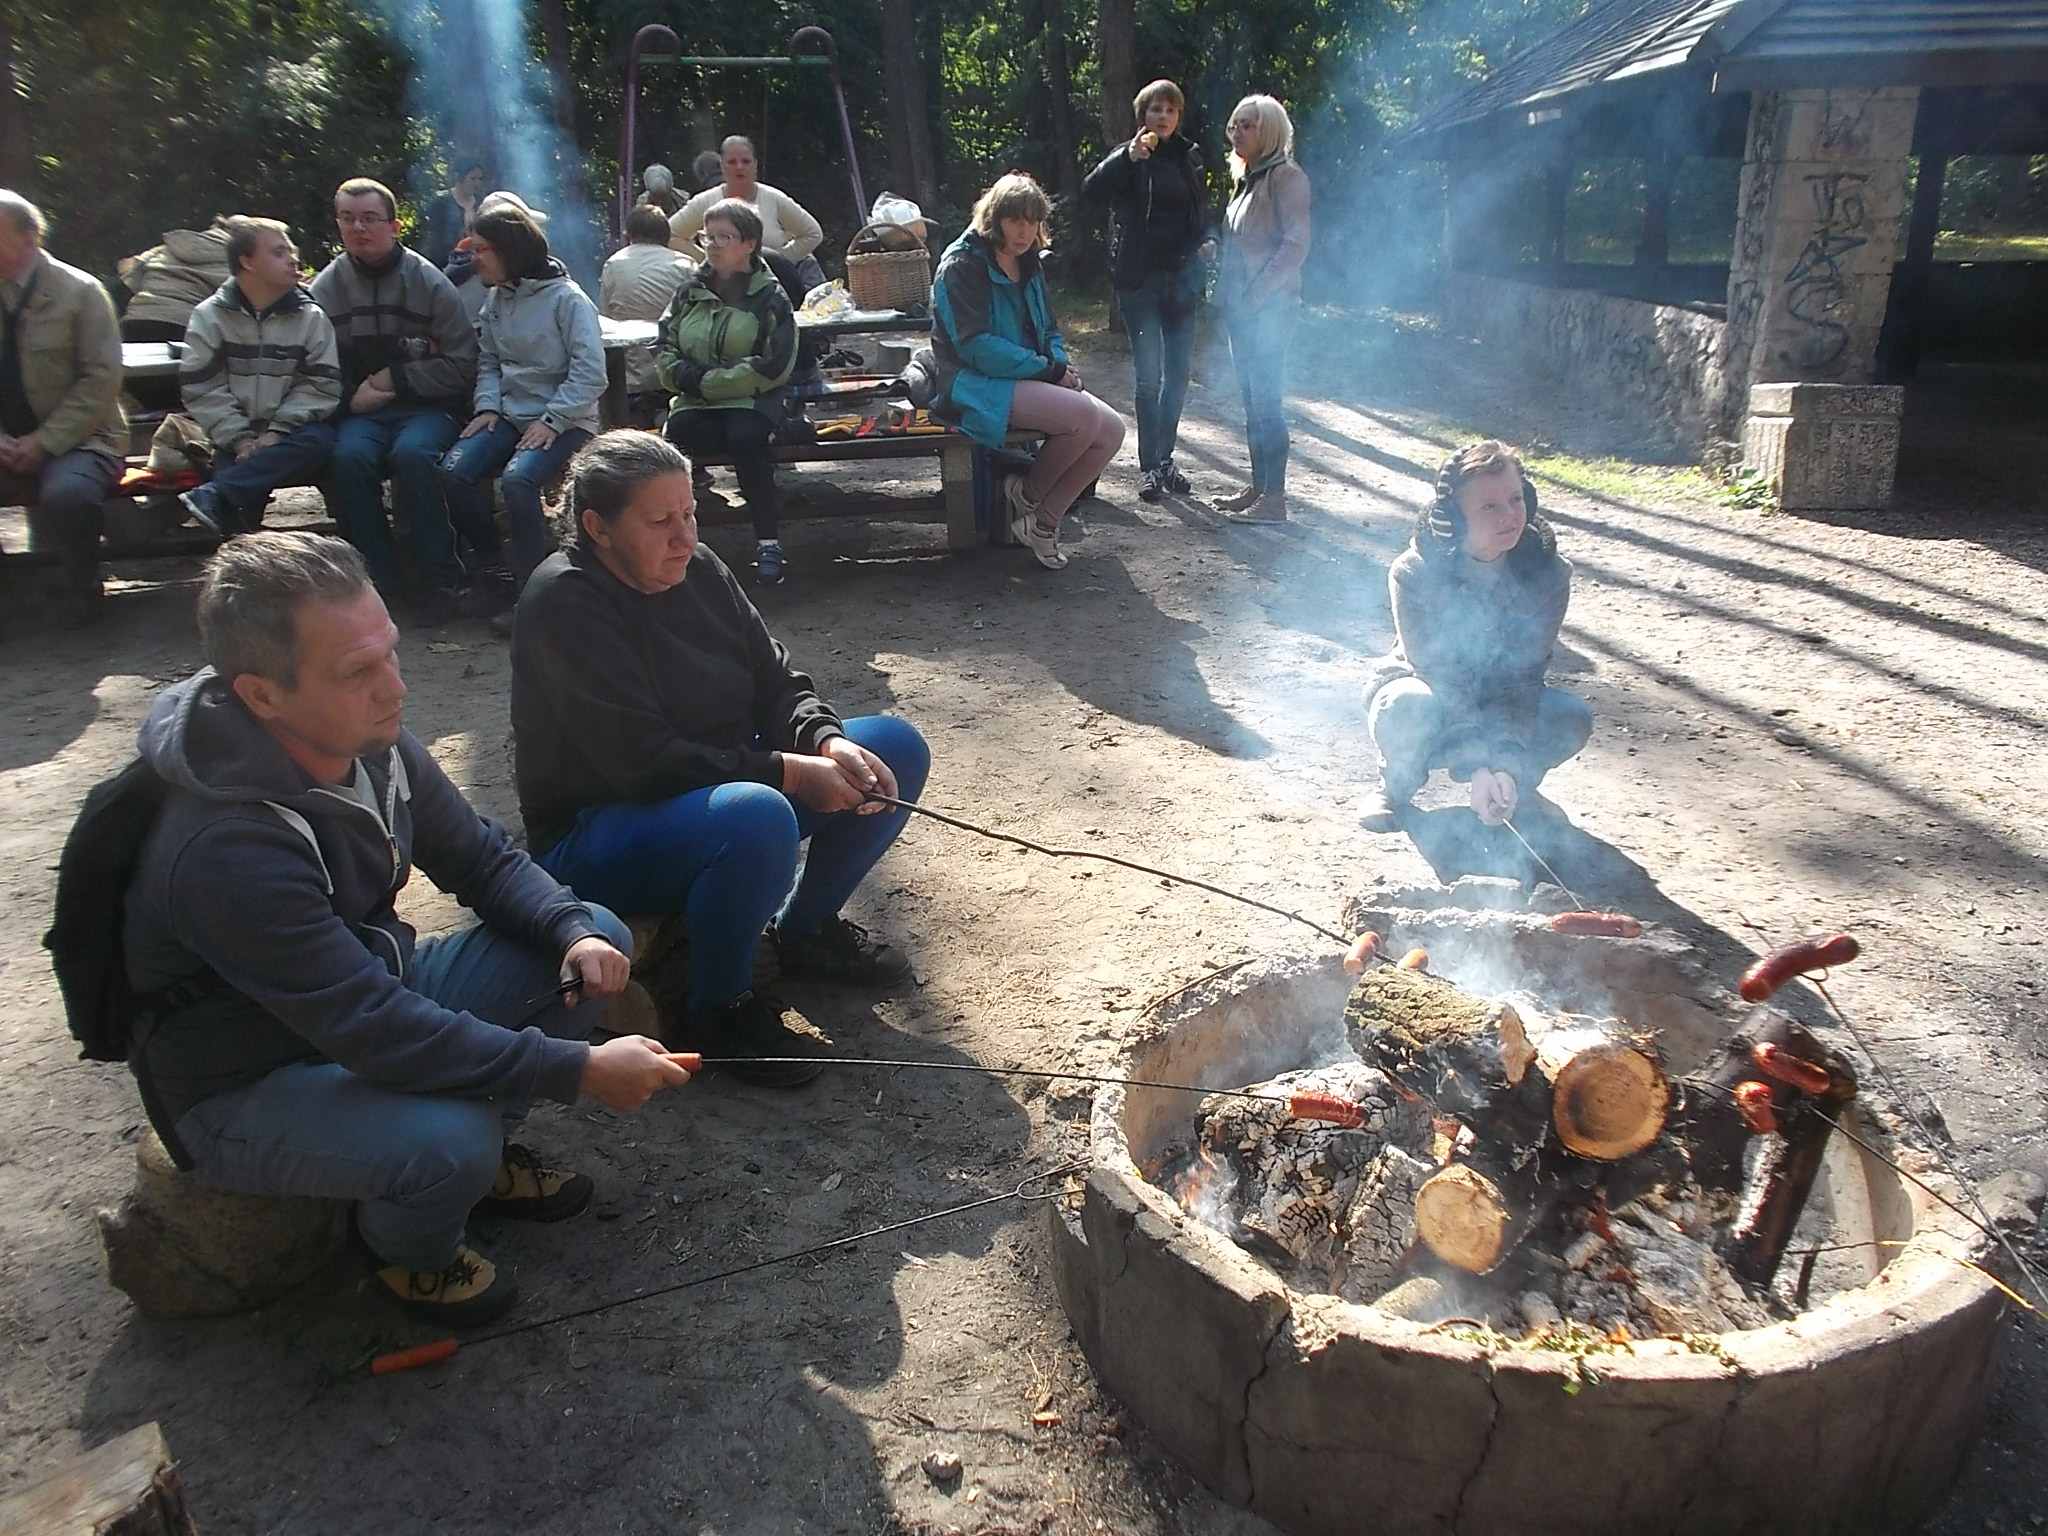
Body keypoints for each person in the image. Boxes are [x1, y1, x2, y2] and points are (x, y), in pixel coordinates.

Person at [122, 531, 689, 1323]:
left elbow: (482, 860)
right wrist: (576, 1068)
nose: (396, 686)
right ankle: (409, 1254)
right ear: (263, 696)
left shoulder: (366, 742)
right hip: (247, 1079)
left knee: (595, 940)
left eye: (390, 651)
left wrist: (571, 930)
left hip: (361, 994)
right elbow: (374, 1030)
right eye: (358, 671)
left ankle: (477, 1163)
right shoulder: (225, 849)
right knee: (452, 1138)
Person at [511, 432, 930, 1089]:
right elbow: (642, 762)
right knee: (757, 813)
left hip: (712, 793)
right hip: (600, 831)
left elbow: (775, 678)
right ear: (597, 528)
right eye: (660, 521)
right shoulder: (563, 601)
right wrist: (791, 772)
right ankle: (720, 1009)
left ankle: (805, 931)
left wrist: (826, 741)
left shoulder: (698, 568)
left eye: (690, 513)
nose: (684, 537)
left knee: (891, 747)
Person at [1359, 440, 1591, 833]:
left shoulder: (1550, 575)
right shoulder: (1414, 573)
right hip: (1432, 691)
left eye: (1516, 499)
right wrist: (1477, 764)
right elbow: (1438, 673)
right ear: (1455, 518)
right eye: (1489, 507)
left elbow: (1523, 679)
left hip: (1504, 697)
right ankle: (1395, 788)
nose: (1510, 516)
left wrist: (1504, 766)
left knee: (1570, 716)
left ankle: (1515, 790)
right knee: (1406, 705)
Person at [930, 173, 1124, 572]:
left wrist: (1059, 365)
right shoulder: (961, 264)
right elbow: (975, 347)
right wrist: (1049, 371)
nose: (1025, 231)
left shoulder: (1029, 261)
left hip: (1025, 376)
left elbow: (1048, 328)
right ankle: (1028, 495)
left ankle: (1041, 522)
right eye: (1015, 221)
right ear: (994, 219)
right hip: (972, 383)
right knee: (1082, 417)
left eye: (1032, 222)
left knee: (1111, 431)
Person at [311, 177, 478, 624]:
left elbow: (464, 364)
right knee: (348, 460)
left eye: (369, 218)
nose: (358, 228)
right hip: (360, 411)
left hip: (429, 406)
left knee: (414, 456)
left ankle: (438, 580)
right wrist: (352, 398)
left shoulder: (429, 283)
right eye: (348, 219)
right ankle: (374, 583)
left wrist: (396, 380)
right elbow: (312, 368)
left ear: (394, 225)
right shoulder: (325, 290)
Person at [438, 200, 605, 620]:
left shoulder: (569, 300)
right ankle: (494, 570)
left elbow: (590, 373)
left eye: (481, 250)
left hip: (567, 419)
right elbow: (489, 362)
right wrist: (488, 407)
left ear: (509, 251)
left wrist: (554, 419)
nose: (473, 259)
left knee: (518, 480)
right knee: (453, 471)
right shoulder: (496, 299)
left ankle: (536, 595)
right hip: (509, 415)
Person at [1083, 79, 1213, 503]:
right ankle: (1150, 467)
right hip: (1140, 282)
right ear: (1143, 115)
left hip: (1182, 282)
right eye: (1156, 109)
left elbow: (1201, 213)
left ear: (1178, 116)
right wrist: (1125, 158)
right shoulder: (1131, 156)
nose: (1163, 116)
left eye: (1171, 110)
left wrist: (1208, 241)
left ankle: (1165, 458)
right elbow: (1091, 192)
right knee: (1148, 378)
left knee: (1177, 376)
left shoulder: (1189, 158)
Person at [0, 190, 126, 625]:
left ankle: (80, 586)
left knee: (69, 496)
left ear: (29, 237)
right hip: (6, 441)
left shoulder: (81, 292)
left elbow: (102, 379)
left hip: (84, 438)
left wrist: (44, 442)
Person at [655, 200, 797, 586]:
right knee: (674, 444)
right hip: (694, 402)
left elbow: (774, 365)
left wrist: (707, 382)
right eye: (707, 237)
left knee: (746, 439)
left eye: (724, 237)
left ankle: (769, 543)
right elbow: (664, 347)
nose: (713, 245)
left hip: (751, 399)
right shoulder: (688, 291)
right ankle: (677, 547)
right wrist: (692, 381)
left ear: (749, 244)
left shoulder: (771, 296)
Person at [177, 217, 341, 539]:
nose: (292, 259)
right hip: (234, 436)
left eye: (291, 251)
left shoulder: (311, 316)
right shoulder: (209, 317)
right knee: (235, 514)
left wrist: (276, 432)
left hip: (293, 435)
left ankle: (215, 492)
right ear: (247, 262)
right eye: (279, 252)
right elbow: (202, 388)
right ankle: (237, 552)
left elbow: (321, 384)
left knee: (319, 442)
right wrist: (240, 438)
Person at [1215, 94, 1310, 525]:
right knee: (1252, 401)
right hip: (1242, 307)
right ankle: (1259, 487)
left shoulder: (1287, 177)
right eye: (1234, 124)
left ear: (1269, 130)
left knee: (1267, 402)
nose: (1237, 132)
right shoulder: (1249, 177)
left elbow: (1296, 245)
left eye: (1248, 125)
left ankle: (1275, 499)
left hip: (1270, 308)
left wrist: (1257, 295)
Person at [670, 136, 827, 294]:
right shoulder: (704, 201)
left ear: (755, 165)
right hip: (722, 290)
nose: (739, 167)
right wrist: (708, 260)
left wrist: (779, 260)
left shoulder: (775, 198)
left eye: (745, 161)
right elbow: (670, 234)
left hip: (773, 288)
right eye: (732, 162)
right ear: (722, 166)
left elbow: (813, 233)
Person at [600, 203, 696, 427]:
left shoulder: (614, 264)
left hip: (628, 379)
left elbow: (605, 321)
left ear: (629, 234)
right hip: (675, 374)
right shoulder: (685, 264)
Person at [422, 156, 486, 271]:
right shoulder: (441, 202)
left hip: (476, 266)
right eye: (472, 179)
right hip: (446, 265)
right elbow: (435, 240)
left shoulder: (482, 203)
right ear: (459, 177)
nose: (477, 183)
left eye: (480, 179)